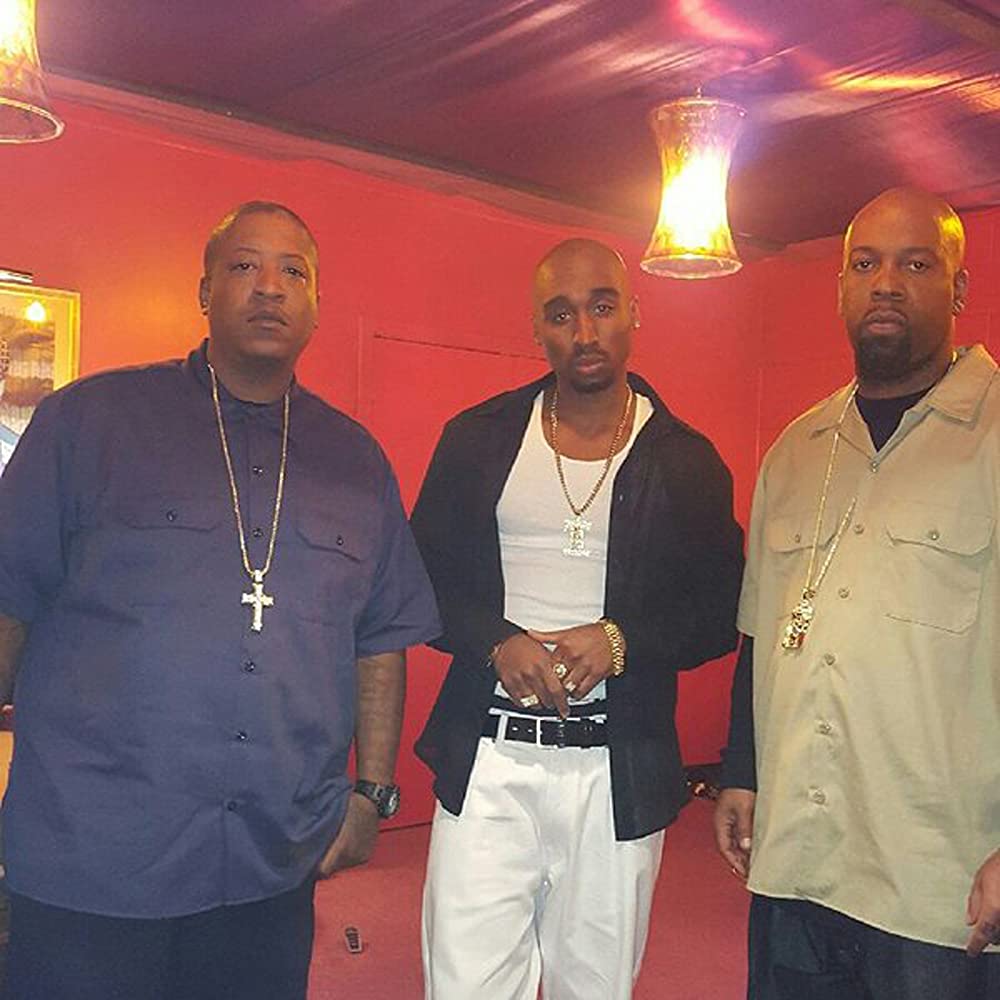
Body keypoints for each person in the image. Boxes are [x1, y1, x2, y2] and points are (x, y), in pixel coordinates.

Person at [0, 201, 440, 1000]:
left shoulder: (355, 460)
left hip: (271, 860)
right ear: (204, 292)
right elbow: (8, 597)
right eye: (244, 266)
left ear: (316, 306)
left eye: (293, 271)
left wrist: (372, 794)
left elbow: (379, 637)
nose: (269, 286)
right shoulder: (91, 422)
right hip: (93, 852)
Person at [411, 237, 744, 999]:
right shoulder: (478, 438)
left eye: (602, 307)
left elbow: (721, 610)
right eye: (561, 315)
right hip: (489, 757)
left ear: (634, 313)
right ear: (537, 329)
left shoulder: (684, 459)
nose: (585, 332)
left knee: (593, 987)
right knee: (463, 985)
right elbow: (421, 581)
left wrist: (621, 640)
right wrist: (495, 642)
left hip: (615, 766)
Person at [715, 187, 1000, 999]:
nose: (886, 284)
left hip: (937, 881)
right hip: (799, 855)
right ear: (841, 286)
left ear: (958, 288)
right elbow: (761, 633)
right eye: (866, 264)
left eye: (916, 265)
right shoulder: (797, 450)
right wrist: (742, 769)